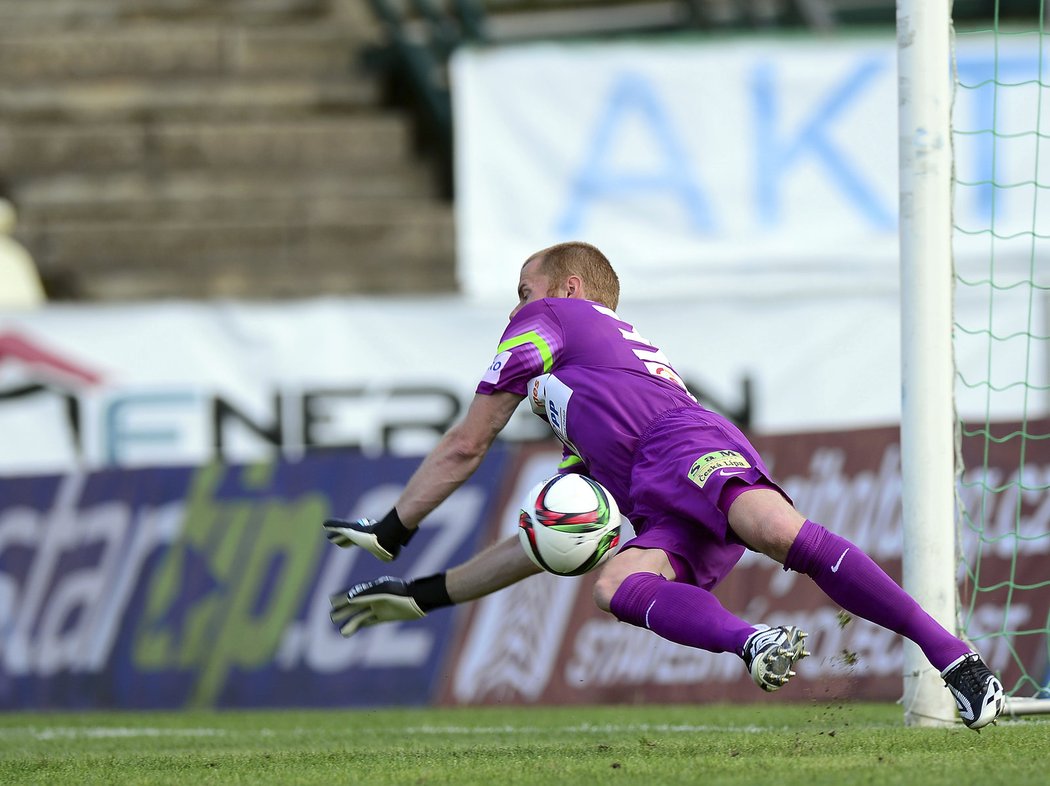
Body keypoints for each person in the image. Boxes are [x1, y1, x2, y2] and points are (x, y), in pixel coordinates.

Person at [323, 241, 1004, 731]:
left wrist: (393, 529)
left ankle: (957, 660)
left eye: (524, 290)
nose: (515, 307)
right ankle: (752, 643)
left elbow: (466, 443)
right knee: (614, 585)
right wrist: (423, 595)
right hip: (653, 493)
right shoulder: (582, 401)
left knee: (774, 531)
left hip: (683, 444)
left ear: (569, 289)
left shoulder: (553, 322)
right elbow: (539, 544)